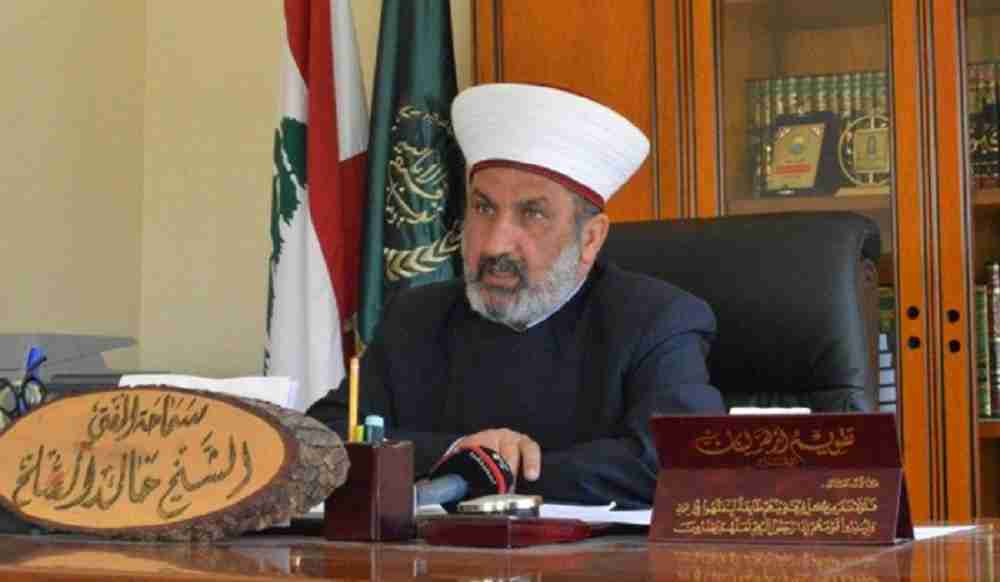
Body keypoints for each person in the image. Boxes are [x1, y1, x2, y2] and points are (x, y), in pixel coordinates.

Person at [307, 83, 725, 508]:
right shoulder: (415, 317)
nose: (495, 244)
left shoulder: (655, 320)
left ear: (590, 238)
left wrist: (492, 474)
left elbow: (682, 459)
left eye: (532, 213)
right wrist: (459, 452)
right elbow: (323, 438)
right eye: (483, 208)